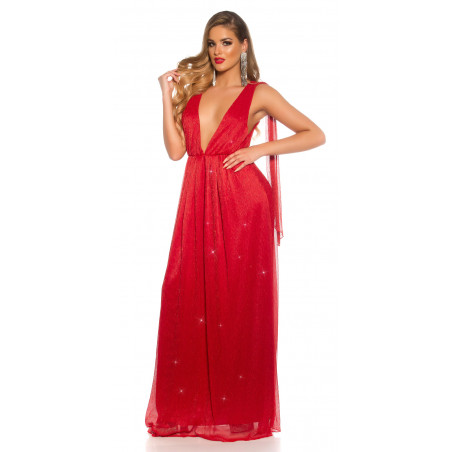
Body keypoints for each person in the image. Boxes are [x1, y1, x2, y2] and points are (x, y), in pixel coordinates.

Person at [145, 10, 326, 443]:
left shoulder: (258, 93)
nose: (218, 51)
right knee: (185, 292)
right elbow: (177, 152)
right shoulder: (195, 93)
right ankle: (191, 409)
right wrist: (166, 95)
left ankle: (239, 410)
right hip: (196, 203)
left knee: (236, 304)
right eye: (212, 43)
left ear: (244, 45)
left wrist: (258, 150)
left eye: (226, 42)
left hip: (243, 204)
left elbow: (314, 133)